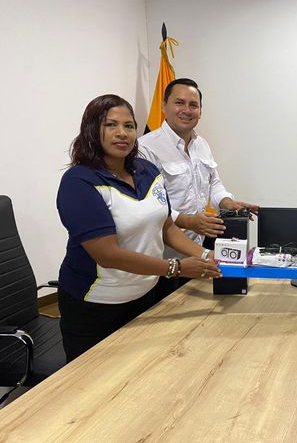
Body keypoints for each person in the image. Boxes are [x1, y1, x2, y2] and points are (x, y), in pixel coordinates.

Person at [57, 94, 221, 363]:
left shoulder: (147, 170)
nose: (122, 133)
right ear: (92, 130)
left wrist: (205, 255)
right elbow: (107, 254)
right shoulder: (79, 182)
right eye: (111, 125)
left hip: (146, 296)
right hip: (96, 306)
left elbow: (166, 226)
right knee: (96, 382)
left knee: (145, 372)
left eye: (129, 126)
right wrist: (176, 268)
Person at [138, 78, 258, 300]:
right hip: (162, 258)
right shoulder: (145, 148)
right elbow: (148, 205)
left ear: (200, 111)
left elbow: (214, 183)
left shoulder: (201, 144)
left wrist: (227, 202)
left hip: (198, 249)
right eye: (179, 103)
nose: (187, 110)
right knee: (164, 310)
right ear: (163, 106)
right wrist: (188, 221)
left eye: (193, 105)